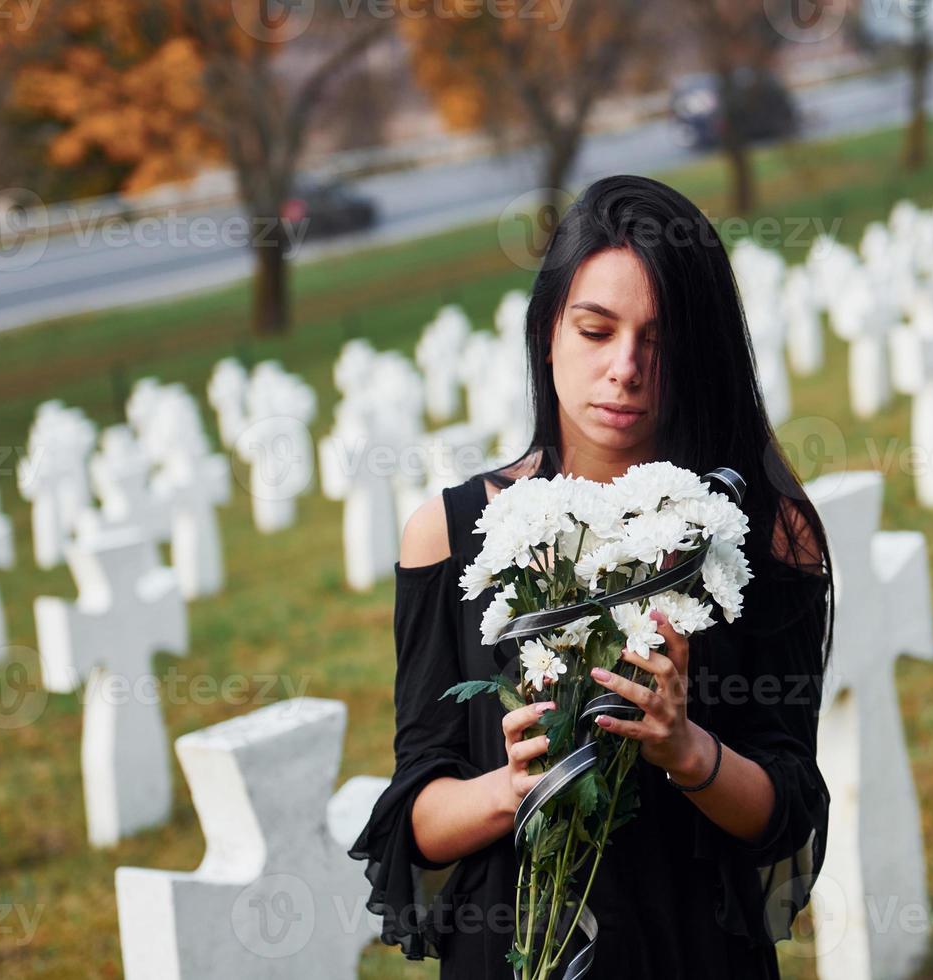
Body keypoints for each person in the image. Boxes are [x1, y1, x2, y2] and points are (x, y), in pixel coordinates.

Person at [348, 174, 836, 978]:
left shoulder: (762, 534)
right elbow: (419, 819)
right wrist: (514, 787)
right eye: (596, 329)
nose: (626, 367)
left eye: (659, 338)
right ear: (547, 333)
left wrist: (687, 750)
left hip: (690, 952)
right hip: (511, 951)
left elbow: (787, 810)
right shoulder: (450, 532)